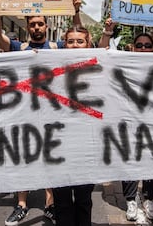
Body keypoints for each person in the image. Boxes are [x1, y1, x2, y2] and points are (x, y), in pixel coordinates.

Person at [0, 0, 82, 226]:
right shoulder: (18, 47)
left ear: (46, 25)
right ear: (28, 26)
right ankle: (21, 204)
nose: (37, 28)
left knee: (50, 158)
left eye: (40, 24)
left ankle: (50, 204)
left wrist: (76, 12)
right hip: (24, 113)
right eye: (33, 24)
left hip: (53, 114)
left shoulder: (58, 46)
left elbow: (79, 42)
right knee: (24, 158)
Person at [100, 18, 153, 222]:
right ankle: (131, 199)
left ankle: (149, 197)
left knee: (152, 160)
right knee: (130, 159)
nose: (143, 48)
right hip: (128, 122)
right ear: (133, 47)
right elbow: (103, 55)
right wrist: (107, 31)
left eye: (147, 46)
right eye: (140, 45)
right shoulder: (123, 61)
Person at [52, 25, 96, 226]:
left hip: (87, 146)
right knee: (61, 201)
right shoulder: (52, 68)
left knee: (83, 199)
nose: (75, 45)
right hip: (58, 145)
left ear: (88, 44)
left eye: (80, 41)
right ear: (64, 44)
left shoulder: (99, 68)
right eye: (70, 41)